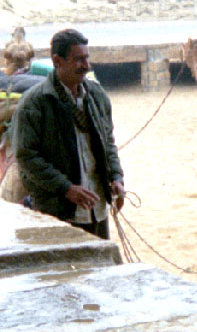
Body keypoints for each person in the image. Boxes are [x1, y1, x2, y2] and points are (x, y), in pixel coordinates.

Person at [12, 28, 125, 239]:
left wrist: (117, 178)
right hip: (58, 211)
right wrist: (66, 188)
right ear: (57, 61)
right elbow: (26, 157)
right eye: (78, 60)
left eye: (86, 58)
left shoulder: (97, 96)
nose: (86, 65)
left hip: (97, 208)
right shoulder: (33, 104)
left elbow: (108, 143)